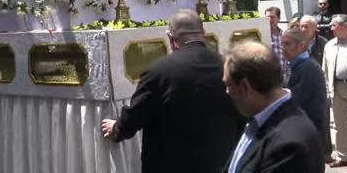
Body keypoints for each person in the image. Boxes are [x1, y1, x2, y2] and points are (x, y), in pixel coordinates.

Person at [101, 9, 243, 173]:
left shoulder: (159, 71)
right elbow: (242, 112)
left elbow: (137, 114)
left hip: (170, 163)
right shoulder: (228, 66)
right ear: (203, 33)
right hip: (220, 162)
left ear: (170, 37)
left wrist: (118, 129)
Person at [223, 41, 324, 173]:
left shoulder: (290, 145)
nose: (227, 92)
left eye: (228, 85)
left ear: (244, 86)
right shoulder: (258, 122)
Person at [280, 28, 330, 162]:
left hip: (310, 133)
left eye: (287, 44)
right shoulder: (298, 66)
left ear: (301, 45)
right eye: (282, 44)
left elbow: (296, 101)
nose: (283, 48)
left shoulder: (308, 68)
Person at [321, 14, 347, 167]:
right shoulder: (329, 45)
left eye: (333, 25)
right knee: (339, 125)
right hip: (336, 88)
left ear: (344, 27)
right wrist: (327, 90)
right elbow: (324, 69)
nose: (331, 28)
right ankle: (342, 156)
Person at [264, 6, 289, 85]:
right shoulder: (262, 36)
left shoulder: (285, 35)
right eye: (267, 17)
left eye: (272, 17)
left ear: (278, 18)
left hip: (285, 77)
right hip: (269, 78)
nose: (269, 20)